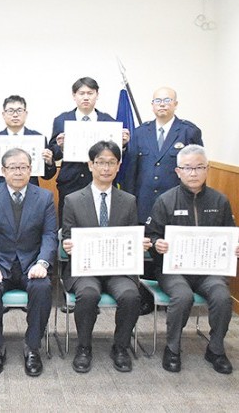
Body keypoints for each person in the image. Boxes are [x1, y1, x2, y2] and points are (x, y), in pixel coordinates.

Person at [146, 144, 238, 374]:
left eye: (199, 167)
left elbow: (230, 233)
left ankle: (216, 349)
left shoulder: (220, 201)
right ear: (178, 171)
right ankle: (172, 348)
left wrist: (234, 248)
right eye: (187, 168)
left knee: (222, 297)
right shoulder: (165, 201)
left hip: (209, 270)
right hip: (173, 270)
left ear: (207, 169)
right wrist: (157, 244)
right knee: (182, 296)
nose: (193, 173)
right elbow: (151, 236)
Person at [62, 140, 152, 373]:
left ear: (119, 166)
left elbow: (130, 234)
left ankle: (120, 347)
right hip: (85, 268)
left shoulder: (129, 200)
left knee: (131, 295)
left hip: (118, 268)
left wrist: (138, 243)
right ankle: (84, 347)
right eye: (100, 162)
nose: (105, 168)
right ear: (90, 165)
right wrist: (68, 244)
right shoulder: (73, 200)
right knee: (88, 294)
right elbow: (68, 236)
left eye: (111, 162)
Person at [0, 148, 57, 377]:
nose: (18, 172)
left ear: (31, 170)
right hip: (0, 264)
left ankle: (32, 347)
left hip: (32, 264)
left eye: (23, 167)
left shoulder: (44, 197)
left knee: (42, 288)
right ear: (3, 171)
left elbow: (50, 235)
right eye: (13, 168)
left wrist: (42, 263)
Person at [49, 77, 128, 225]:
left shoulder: (108, 121)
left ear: (97, 95)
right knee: (69, 225)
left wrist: (122, 144)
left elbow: (115, 155)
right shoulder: (62, 120)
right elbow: (54, 152)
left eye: (90, 93)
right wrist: (60, 147)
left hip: (100, 181)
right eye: (81, 93)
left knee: (98, 222)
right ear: (74, 96)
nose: (86, 97)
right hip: (70, 182)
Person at [124, 87, 203, 224]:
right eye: (158, 101)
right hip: (144, 205)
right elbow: (131, 172)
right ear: (152, 105)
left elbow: (199, 170)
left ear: (175, 104)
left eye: (167, 100)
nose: (162, 104)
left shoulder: (189, 132)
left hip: (177, 205)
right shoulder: (140, 132)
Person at [0, 95, 56, 186]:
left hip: (30, 190)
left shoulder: (38, 139)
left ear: (26, 114)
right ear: (3, 115)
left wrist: (49, 162)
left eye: (19, 110)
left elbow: (47, 176)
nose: (15, 115)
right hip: (1, 191)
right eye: (10, 111)